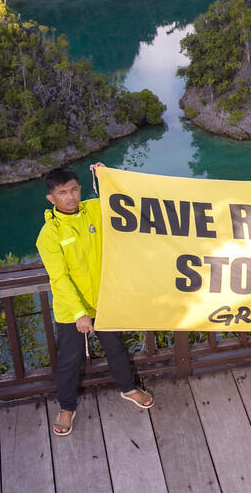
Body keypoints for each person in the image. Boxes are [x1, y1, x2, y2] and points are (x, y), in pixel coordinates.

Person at [37, 164, 154, 436]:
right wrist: (79, 313)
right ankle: (67, 407)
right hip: (71, 310)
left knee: (116, 348)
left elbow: (122, 199)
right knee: (69, 359)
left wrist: (107, 174)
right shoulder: (49, 235)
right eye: (63, 192)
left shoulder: (93, 210)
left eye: (75, 189)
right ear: (51, 198)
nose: (71, 196)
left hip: (104, 300)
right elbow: (59, 279)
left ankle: (128, 388)